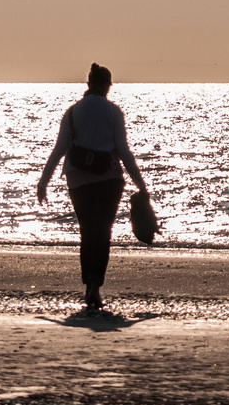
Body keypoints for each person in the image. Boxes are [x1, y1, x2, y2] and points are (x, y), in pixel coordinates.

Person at [37, 63, 149, 314]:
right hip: (109, 179)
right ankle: (95, 286)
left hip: (78, 179)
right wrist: (140, 185)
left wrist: (44, 182)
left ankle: (88, 283)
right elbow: (124, 152)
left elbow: (59, 150)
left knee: (87, 231)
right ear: (106, 85)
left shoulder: (73, 112)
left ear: (88, 85)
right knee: (103, 232)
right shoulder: (113, 112)